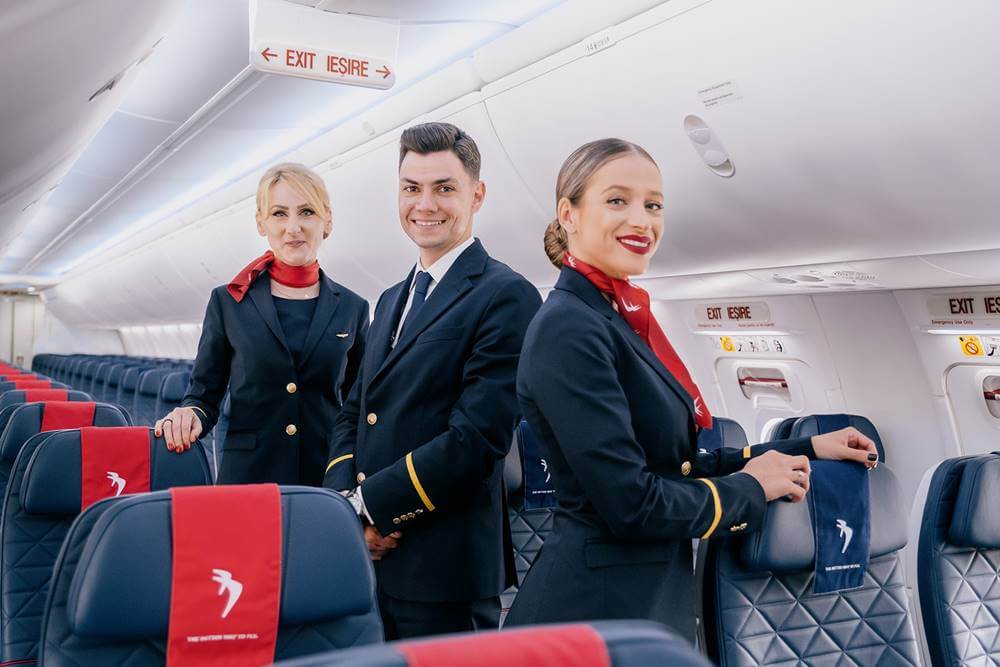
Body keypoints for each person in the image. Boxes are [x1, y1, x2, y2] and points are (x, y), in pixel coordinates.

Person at [503, 138, 878, 639]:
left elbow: (675, 466)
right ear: (568, 214)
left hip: (644, 602)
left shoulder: (614, 318)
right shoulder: (569, 329)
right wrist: (751, 487)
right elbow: (632, 504)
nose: (642, 220)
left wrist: (805, 448)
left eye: (653, 205)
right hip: (593, 614)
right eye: (618, 200)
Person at [324, 122, 541, 639]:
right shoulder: (390, 297)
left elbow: (476, 439)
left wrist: (368, 508)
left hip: (446, 570)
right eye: (411, 188)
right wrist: (343, 511)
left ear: (477, 194)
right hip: (368, 561)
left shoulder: (505, 295)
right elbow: (354, 411)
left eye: (445, 188)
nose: (426, 204)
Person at [154, 163, 369, 486]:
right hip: (248, 476)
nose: (293, 227)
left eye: (307, 212)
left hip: (325, 478)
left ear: (327, 220)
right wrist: (189, 414)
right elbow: (203, 395)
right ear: (261, 222)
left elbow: (359, 406)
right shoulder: (228, 303)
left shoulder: (353, 308)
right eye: (279, 214)